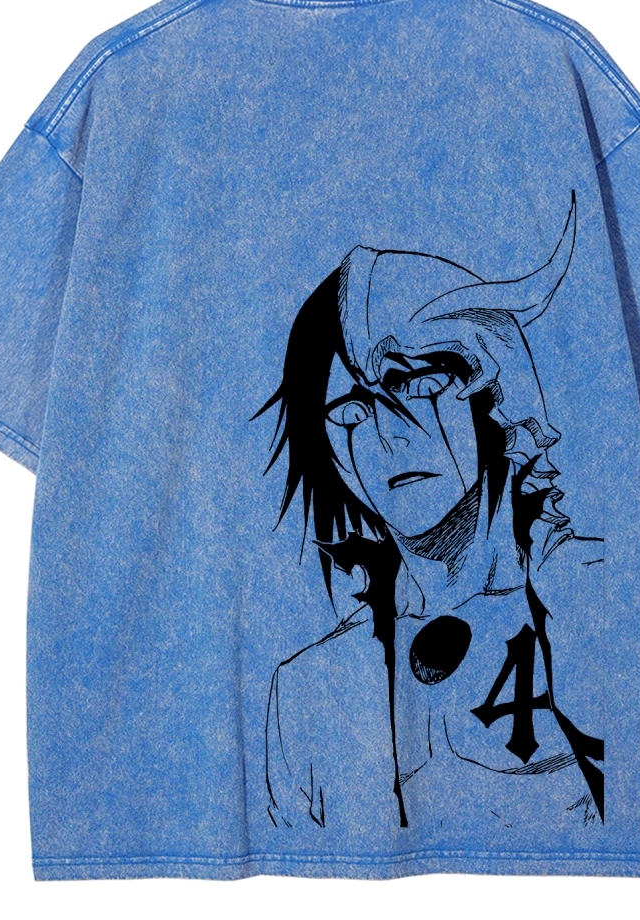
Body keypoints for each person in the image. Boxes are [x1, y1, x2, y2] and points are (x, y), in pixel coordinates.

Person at [258, 193, 605, 832]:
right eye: (350, 412)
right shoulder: (310, 690)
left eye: (413, 384)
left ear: (495, 386)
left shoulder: (591, 611)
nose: (387, 435)